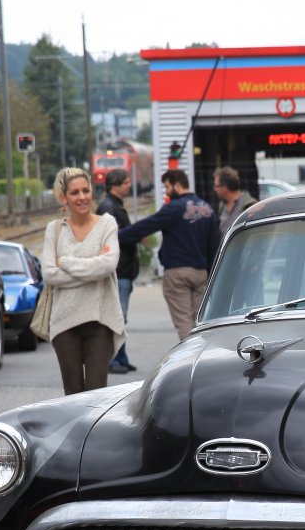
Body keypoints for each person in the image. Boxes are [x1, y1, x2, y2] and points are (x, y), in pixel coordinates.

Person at [44, 167, 126, 394]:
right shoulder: (54, 230)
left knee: (96, 394)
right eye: (74, 193)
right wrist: (92, 268)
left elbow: (108, 265)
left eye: (86, 190)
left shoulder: (107, 224)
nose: (82, 197)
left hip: (100, 320)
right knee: (72, 394)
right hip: (64, 322)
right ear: (64, 198)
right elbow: (49, 274)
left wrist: (65, 262)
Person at [118, 167, 219, 340]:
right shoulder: (207, 209)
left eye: (167, 187)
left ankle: (190, 355)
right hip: (201, 273)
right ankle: (203, 351)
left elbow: (145, 226)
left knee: (184, 322)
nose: (166, 191)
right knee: (199, 322)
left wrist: (117, 236)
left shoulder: (174, 207)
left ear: (177, 185)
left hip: (177, 273)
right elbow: (214, 246)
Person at [95, 168, 138, 373]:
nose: (129, 185)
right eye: (126, 182)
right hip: (118, 272)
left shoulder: (113, 206)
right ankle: (113, 360)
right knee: (116, 317)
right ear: (115, 185)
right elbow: (114, 238)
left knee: (119, 317)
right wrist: (137, 232)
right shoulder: (109, 208)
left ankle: (122, 357)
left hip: (122, 271)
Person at [213, 165, 256, 234]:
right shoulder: (222, 205)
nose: (214, 189)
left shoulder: (250, 205)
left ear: (225, 187)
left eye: (216, 186)